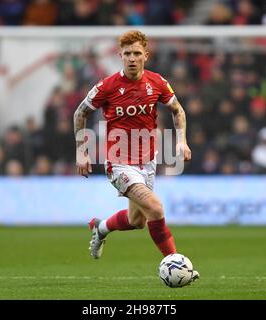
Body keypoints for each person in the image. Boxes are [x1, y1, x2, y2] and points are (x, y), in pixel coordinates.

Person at [73, 30, 199, 284]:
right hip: (119, 163)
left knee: (137, 221)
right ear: (120, 56)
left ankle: (101, 227)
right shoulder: (107, 86)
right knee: (155, 208)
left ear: (146, 55)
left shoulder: (157, 83)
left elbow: (177, 110)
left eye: (137, 53)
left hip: (148, 162)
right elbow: (79, 113)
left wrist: (182, 141)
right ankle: (177, 265)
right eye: (127, 53)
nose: (132, 58)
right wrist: (82, 152)